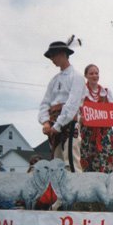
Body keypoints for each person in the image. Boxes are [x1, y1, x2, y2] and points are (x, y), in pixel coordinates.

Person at [38, 40, 84, 172]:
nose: (52, 59)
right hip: (54, 124)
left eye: (53, 55)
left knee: (71, 162)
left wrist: (57, 125)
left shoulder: (77, 77)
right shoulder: (54, 80)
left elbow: (72, 104)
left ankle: (75, 185)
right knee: (56, 165)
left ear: (63, 54)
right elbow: (45, 103)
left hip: (69, 123)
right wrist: (46, 122)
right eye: (51, 56)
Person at [80, 64, 113, 173]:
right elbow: (76, 111)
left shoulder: (106, 92)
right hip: (88, 133)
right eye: (91, 73)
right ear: (86, 76)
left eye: (96, 73)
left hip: (105, 133)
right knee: (87, 163)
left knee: (107, 163)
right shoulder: (81, 92)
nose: (94, 75)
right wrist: (81, 118)